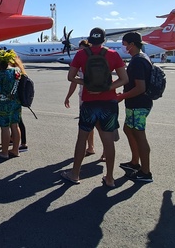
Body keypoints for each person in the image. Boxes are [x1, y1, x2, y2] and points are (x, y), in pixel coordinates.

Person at [63, 27, 128, 188]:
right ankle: (110, 178)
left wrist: (87, 83)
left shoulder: (81, 54)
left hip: (89, 102)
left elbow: (70, 77)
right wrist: (106, 88)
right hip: (109, 102)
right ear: (104, 40)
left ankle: (75, 173)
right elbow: (124, 79)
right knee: (108, 141)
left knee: (82, 138)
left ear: (90, 40)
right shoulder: (113, 54)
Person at [116, 32, 154, 182]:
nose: (123, 47)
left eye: (124, 44)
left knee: (139, 135)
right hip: (137, 103)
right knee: (128, 129)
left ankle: (145, 172)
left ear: (131, 44)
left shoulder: (138, 61)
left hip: (138, 104)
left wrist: (121, 96)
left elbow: (140, 88)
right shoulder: (142, 58)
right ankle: (134, 162)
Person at [64, 39, 98, 158]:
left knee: (100, 125)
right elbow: (73, 80)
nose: (80, 51)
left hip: (95, 96)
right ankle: (91, 147)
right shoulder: (80, 61)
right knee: (88, 124)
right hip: (83, 96)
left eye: (82, 48)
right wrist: (68, 96)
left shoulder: (95, 61)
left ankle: (104, 153)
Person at [0, 49, 21, 159]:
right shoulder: (16, 71)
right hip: (16, 102)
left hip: (4, 104)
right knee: (15, 125)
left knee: (5, 128)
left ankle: (4, 153)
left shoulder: (1, 74)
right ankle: (15, 150)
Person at [11, 55, 29, 152]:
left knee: (19, 122)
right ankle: (12, 138)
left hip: (15, 100)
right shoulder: (21, 72)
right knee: (14, 121)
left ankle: (24, 144)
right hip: (18, 100)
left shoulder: (16, 73)